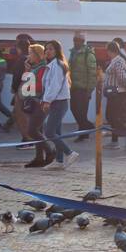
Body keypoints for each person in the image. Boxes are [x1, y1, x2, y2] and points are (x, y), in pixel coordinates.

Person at [40, 40, 81, 170]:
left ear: (57, 51)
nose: (47, 51)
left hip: (58, 102)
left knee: (49, 131)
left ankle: (70, 153)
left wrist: (47, 100)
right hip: (56, 102)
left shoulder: (57, 65)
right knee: (56, 132)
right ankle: (59, 161)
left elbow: (54, 86)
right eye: (46, 49)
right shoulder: (52, 65)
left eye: (51, 49)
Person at [19, 44, 52, 167]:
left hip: (40, 102)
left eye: (31, 53)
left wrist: (28, 78)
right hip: (34, 102)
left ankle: (50, 151)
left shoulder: (43, 68)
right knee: (38, 130)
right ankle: (39, 158)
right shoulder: (34, 68)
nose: (28, 56)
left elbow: (38, 87)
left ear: (38, 55)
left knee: (32, 130)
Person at [68, 32, 100, 141]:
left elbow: (92, 73)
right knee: (74, 109)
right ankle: (88, 127)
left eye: (77, 40)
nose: (75, 41)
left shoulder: (88, 54)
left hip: (83, 89)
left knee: (81, 112)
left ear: (82, 41)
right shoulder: (73, 53)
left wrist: (89, 90)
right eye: (74, 39)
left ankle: (83, 134)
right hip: (73, 87)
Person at [103, 39, 126, 150]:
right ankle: (115, 140)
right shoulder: (115, 60)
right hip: (115, 93)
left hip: (118, 93)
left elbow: (122, 78)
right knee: (112, 116)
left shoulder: (118, 61)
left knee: (112, 116)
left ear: (111, 50)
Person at [9, 33, 34, 142]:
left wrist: (14, 89)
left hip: (22, 91)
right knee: (23, 115)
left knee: (22, 116)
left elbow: (18, 76)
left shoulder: (22, 60)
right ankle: (29, 138)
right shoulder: (32, 58)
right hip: (30, 90)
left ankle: (27, 139)